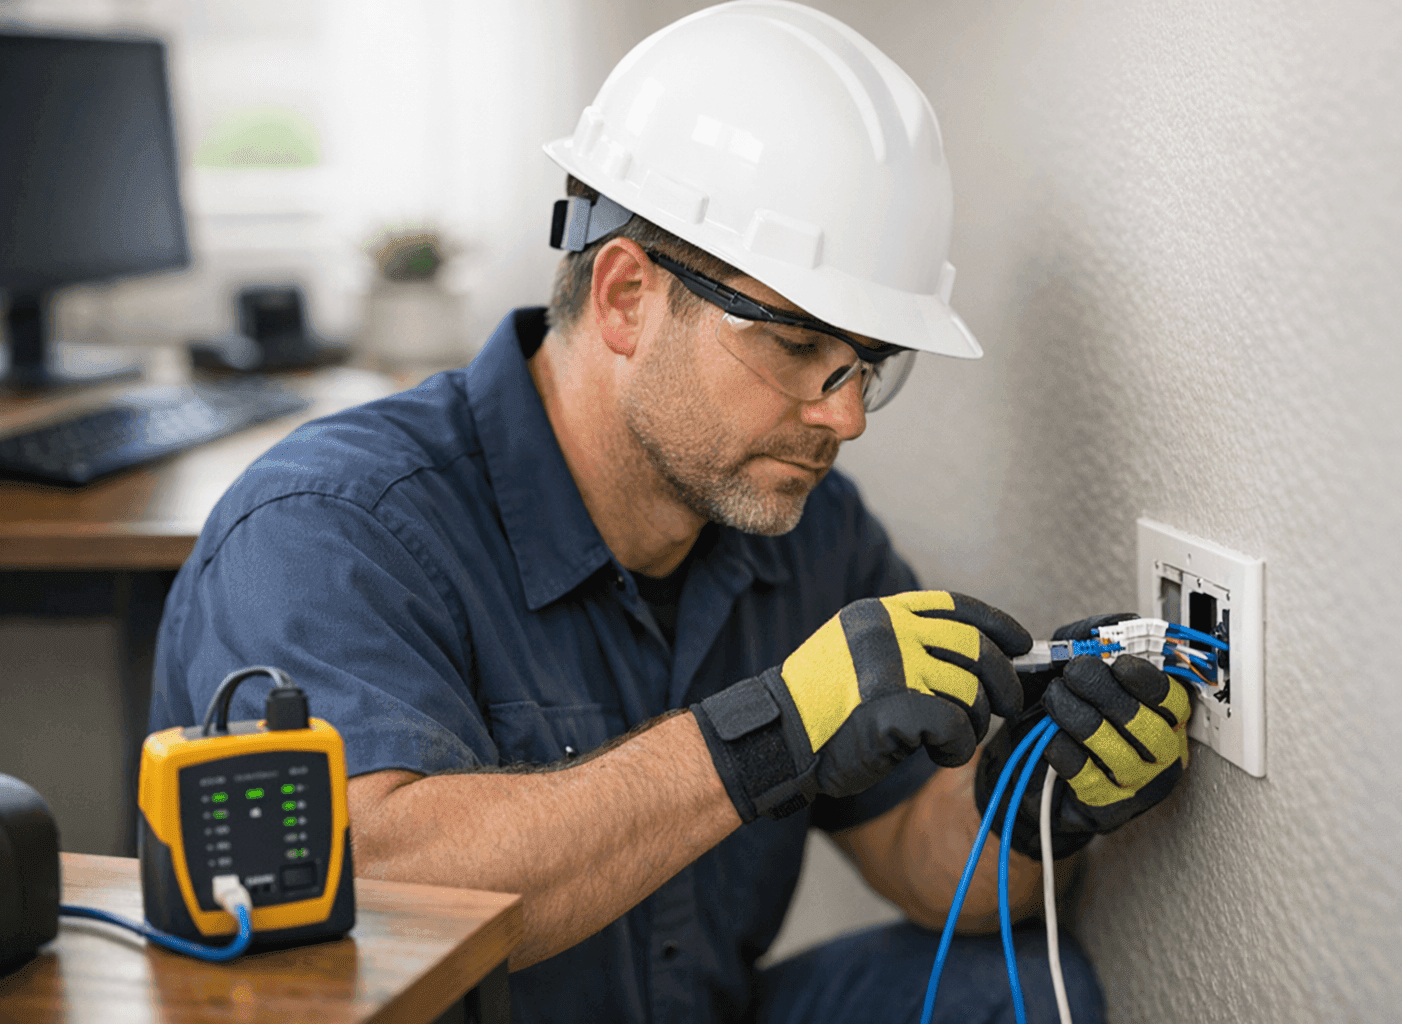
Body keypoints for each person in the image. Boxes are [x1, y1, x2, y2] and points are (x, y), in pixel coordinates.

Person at [150, 4, 1190, 1021]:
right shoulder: (331, 528)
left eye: (867, 366)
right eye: (795, 347)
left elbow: (927, 864)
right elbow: (382, 891)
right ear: (624, 297)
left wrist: (1032, 800)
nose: (847, 417)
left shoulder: (806, 528)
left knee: (1008, 984)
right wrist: (767, 732)